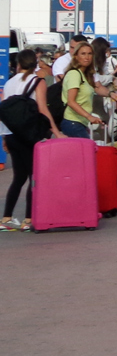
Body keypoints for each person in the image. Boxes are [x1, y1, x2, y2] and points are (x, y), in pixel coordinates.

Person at [2, 50, 64, 231]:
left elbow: (5, 112)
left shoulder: (9, 82)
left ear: (18, 64)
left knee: (18, 177)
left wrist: (5, 137)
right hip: (29, 134)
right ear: (35, 63)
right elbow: (43, 109)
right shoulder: (38, 81)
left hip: (11, 134)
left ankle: (6, 218)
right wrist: (56, 131)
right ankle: (28, 219)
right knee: (34, 176)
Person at [60, 41, 112, 139]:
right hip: (73, 122)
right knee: (87, 151)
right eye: (83, 54)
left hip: (80, 122)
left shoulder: (86, 75)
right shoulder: (74, 74)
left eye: (89, 54)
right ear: (76, 56)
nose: (87, 57)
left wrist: (111, 94)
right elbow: (71, 101)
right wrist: (89, 116)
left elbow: (98, 87)